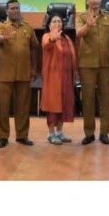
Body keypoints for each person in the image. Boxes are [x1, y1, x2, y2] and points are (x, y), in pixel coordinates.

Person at [0, 0, 38, 147]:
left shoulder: (27, 27)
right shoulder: (1, 26)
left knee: (23, 107)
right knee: (3, 107)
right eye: (12, 8)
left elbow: (34, 47)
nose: (15, 10)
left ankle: (22, 135)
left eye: (17, 8)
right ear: (6, 11)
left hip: (24, 73)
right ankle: (3, 137)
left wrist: (34, 68)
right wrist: (3, 37)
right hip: (4, 74)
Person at [75, 0, 109, 145]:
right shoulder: (81, 16)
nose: (95, 0)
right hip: (87, 64)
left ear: (101, 0)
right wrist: (88, 25)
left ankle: (104, 133)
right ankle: (89, 133)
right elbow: (79, 34)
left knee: (105, 99)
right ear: (87, 0)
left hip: (105, 63)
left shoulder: (108, 16)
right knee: (88, 99)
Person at [41, 14, 78, 144]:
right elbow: (46, 45)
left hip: (66, 77)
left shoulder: (66, 38)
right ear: (49, 25)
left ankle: (59, 132)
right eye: (54, 21)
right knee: (53, 105)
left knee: (64, 104)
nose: (57, 23)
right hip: (53, 78)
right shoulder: (47, 36)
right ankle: (51, 134)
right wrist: (53, 39)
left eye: (59, 21)